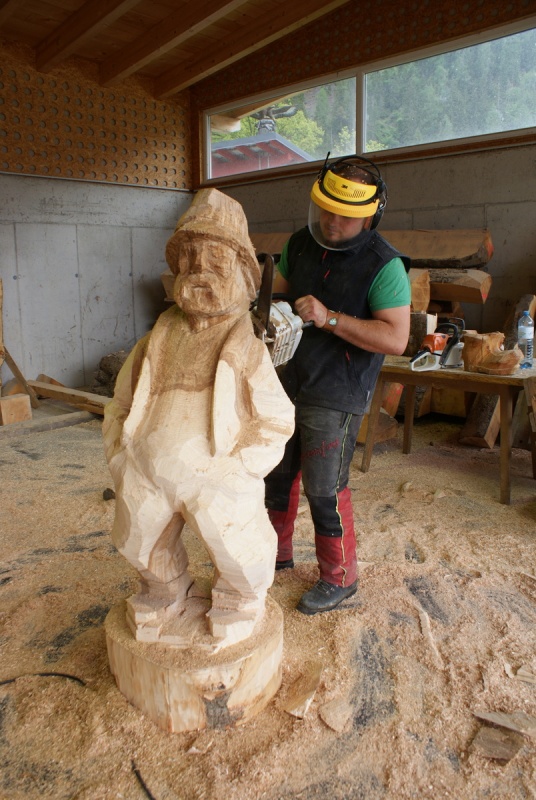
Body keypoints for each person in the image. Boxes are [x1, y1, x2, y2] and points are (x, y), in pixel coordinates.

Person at [103, 188, 294, 649]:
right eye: (188, 258)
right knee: (139, 542)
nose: (198, 269)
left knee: (235, 545)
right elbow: (121, 401)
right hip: (147, 467)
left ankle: (239, 600)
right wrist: (121, 451)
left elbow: (276, 418)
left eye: (215, 259)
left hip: (217, 472)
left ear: (243, 275)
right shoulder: (156, 338)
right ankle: (164, 591)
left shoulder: (246, 346)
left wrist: (240, 467)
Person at [264, 153, 411, 615]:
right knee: (275, 474)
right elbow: (278, 293)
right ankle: (274, 555)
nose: (331, 222)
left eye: (345, 216)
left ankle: (339, 577)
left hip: (338, 387)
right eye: (325, 209)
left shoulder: (384, 265)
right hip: (287, 377)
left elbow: (396, 338)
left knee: (324, 488)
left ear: (370, 215)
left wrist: (329, 318)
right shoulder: (299, 244)